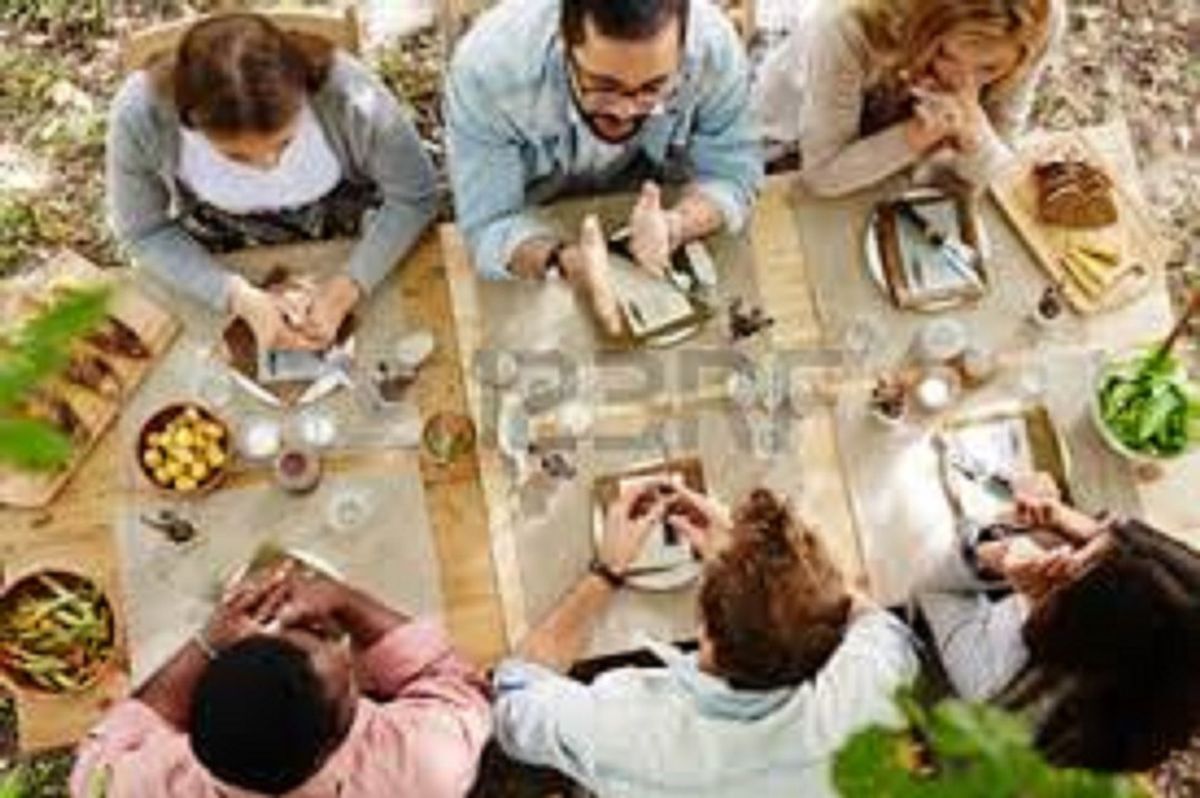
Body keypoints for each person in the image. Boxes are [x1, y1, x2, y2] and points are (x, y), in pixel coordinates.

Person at [492, 483, 919, 797]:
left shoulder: (625, 729)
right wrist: (771, 571)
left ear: (706, 632)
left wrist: (606, 572)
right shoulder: (867, 699)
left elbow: (513, 697)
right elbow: (883, 628)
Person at [106, 13, 438, 351]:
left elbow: (415, 197)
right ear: (190, 122)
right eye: (236, 157)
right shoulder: (141, 117)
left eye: (285, 143)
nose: (268, 165)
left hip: (351, 230)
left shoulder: (349, 97)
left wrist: (345, 289)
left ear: (304, 95)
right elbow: (143, 233)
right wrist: (237, 296)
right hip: (223, 248)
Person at [444, 0, 763, 333]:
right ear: (565, 40)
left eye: (652, 87)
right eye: (604, 85)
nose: (625, 112)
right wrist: (563, 262)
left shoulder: (713, 50)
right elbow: (489, 224)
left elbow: (733, 175)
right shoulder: (488, 71)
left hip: (661, 201)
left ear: (684, 48)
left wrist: (677, 225)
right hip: (538, 214)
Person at [70, 565, 491, 797]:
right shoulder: (424, 763)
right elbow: (453, 680)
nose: (342, 653)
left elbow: (107, 751)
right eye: (349, 681)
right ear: (338, 738)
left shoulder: (132, 787)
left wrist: (207, 643)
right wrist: (344, 601)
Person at [917, 473, 1200, 772]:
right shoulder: (1139, 715)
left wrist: (991, 556)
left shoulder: (994, 674)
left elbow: (930, 584)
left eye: (1077, 570)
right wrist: (1080, 526)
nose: (1071, 555)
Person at [753, 0, 1064, 196]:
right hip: (795, 123)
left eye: (989, 68)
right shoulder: (846, 23)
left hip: (897, 132)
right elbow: (821, 175)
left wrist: (975, 137)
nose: (960, 83)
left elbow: (1001, 163)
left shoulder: (1040, 22)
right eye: (946, 54)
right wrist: (917, 135)